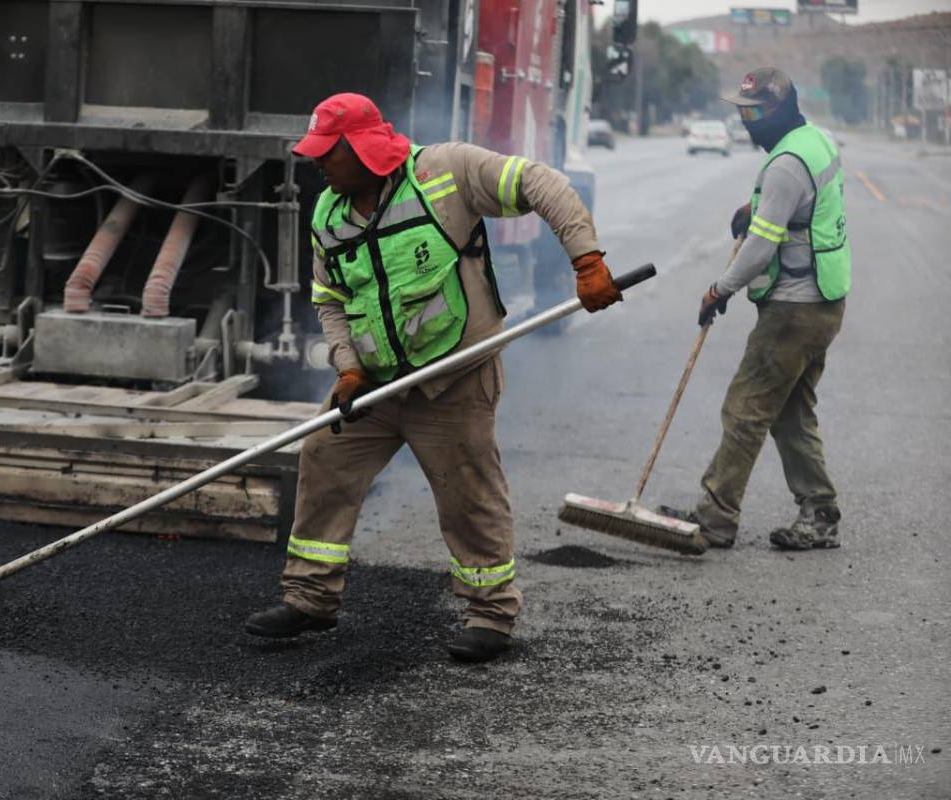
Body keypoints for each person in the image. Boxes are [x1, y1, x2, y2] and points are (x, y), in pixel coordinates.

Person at [244, 93, 622, 662]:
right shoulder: (327, 212)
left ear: (362, 150)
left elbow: (542, 182)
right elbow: (331, 299)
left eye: (328, 152)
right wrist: (347, 366)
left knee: (468, 493)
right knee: (323, 456)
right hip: (373, 382)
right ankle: (309, 597)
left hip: (453, 376)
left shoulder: (445, 173)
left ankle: (490, 614)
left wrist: (586, 260)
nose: (317, 163)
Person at [662, 68, 850, 551]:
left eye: (756, 112)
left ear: (780, 110)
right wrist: (759, 205)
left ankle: (715, 518)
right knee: (791, 414)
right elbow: (800, 206)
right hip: (823, 304)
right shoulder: (815, 140)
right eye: (742, 111)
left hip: (794, 309)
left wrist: (719, 290)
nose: (747, 120)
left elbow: (762, 246)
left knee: (745, 410)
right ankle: (820, 512)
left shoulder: (786, 163)